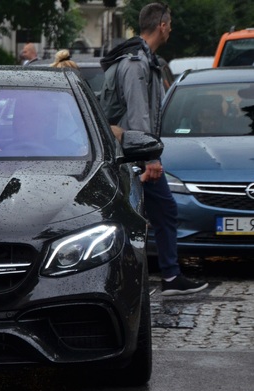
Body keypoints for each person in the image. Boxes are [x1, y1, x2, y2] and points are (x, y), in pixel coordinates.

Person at [100, 2, 208, 296]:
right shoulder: (136, 64)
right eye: (169, 24)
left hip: (131, 153)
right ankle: (162, 278)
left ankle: (153, 278)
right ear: (162, 25)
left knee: (146, 215)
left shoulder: (143, 60)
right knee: (149, 215)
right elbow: (138, 116)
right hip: (134, 154)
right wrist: (150, 158)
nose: (171, 29)